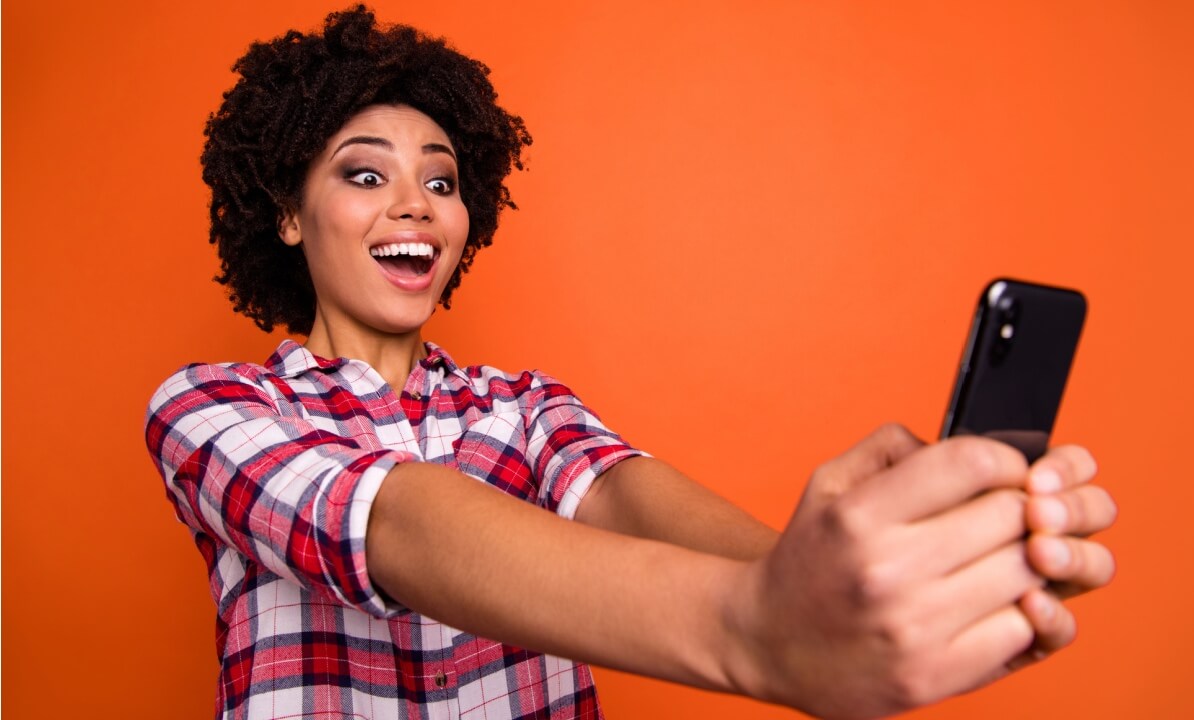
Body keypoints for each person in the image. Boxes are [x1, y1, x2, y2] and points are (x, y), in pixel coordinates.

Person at [145, 6, 1117, 719]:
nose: (414, 204)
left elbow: (623, 496)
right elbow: (392, 517)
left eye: (440, 179)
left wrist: (861, 579)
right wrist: (752, 632)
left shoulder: (524, 409)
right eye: (365, 174)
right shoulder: (210, 410)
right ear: (284, 214)